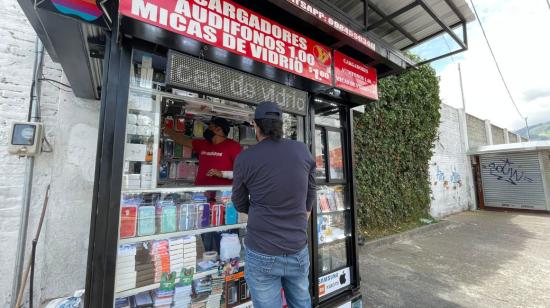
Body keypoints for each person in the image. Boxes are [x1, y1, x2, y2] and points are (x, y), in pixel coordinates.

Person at [232, 101, 316, 308]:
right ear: (280, 125)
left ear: (255, 125)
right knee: (302, 303)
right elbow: (311, 191)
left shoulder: (245, 158)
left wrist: (257, 212)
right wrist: (302, 216)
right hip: (297, 247)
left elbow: (239, 202)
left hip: (261, 250)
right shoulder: (302, 150)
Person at [164, 116, 242, 186]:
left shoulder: (233, 146)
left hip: (221, 195)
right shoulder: (203, 144)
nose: (207, 129)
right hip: (200, 191)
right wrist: (164, 128)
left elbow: (244, 172)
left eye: (210, 127)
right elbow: (181, 140)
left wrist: (223, 174)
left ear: (218, 129)